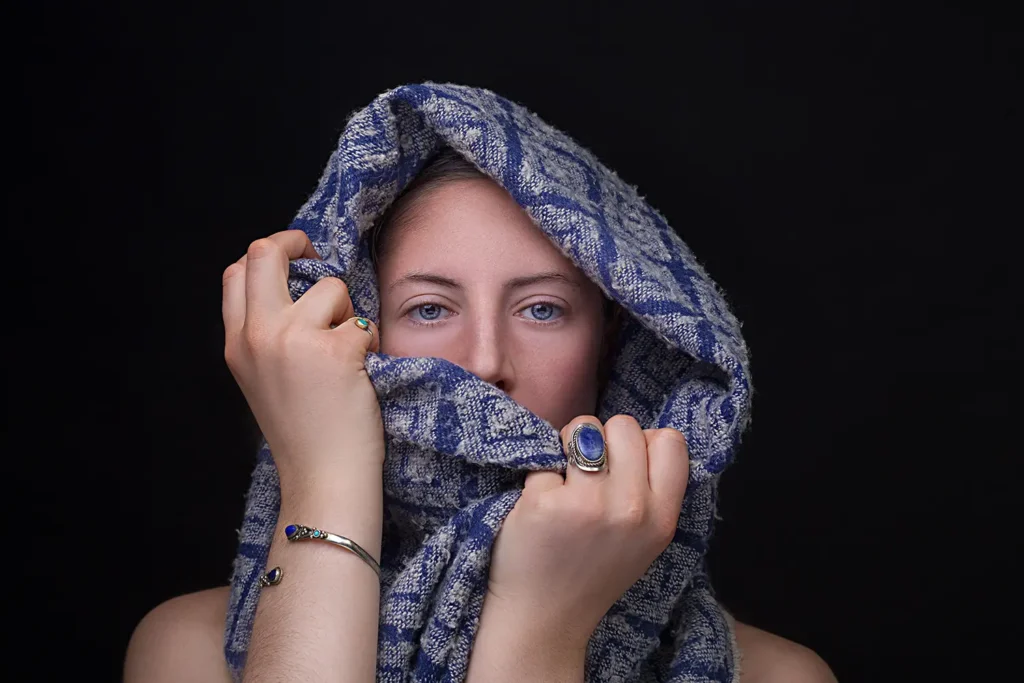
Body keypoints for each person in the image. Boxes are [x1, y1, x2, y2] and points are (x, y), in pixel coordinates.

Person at [125, 116, 837, 682]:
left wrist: (538, 625)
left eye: (542, 309)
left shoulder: (778, 676)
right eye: (431, 308)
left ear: (618, 346)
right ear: (361, 328)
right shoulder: (190, 653)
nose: (487, 362)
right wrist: (326, 472)